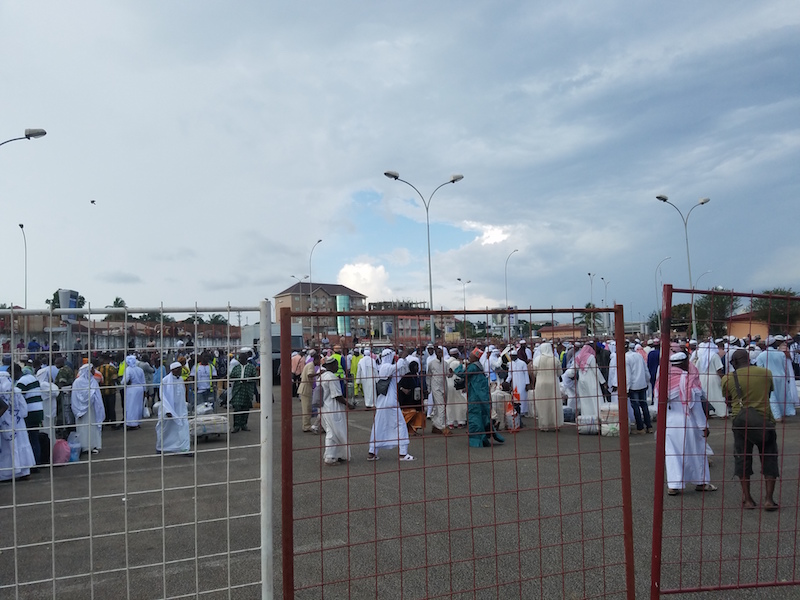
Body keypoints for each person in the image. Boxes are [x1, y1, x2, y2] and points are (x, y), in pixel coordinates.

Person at [722, 349, 779, 510]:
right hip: (765, 422)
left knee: (743, 459)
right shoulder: (766, 373)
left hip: (741, 423)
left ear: (733, 363)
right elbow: (768, 394)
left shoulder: (728, 378)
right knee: (769, 459)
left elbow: (727, 398)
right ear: (749, 359)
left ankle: (748, 499)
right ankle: (769, 499)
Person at [658, 352, 715, 496]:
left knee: (672, 454)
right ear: (685, 363)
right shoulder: (688, 379)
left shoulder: (663, 380)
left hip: (669, 422)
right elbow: (695, 407)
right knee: (696, 452)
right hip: (688, 421)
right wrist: (704, 426)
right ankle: (701, 483)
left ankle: (674, 485)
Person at [368, 349, 415, 461]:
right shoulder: (385, 367)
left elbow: (403, 371)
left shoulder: (387, 368)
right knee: (401, 425)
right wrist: (402, 357)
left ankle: (372, 452)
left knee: (379, 425)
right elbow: (397, 366)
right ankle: (403, 454)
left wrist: (403, 360)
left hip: (383, 403)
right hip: (390, 402)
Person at [0, 366, 36, 480]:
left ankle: (6, 474)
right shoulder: (16, 391)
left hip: (4, 424)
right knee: (21, 446)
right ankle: (23, 472)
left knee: (7, 449)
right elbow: (24, 410)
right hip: (18, 424)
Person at [466, 348, 504, 448]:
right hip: (481, 396)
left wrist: (458, 369)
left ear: (474, 358)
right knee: (482, 417)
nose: (469, 358)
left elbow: (463, 374)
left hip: (475, 397)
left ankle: (477, 440)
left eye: (470, 357)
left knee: (475, 418)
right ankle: (483, 438)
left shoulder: (473, 367)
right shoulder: (479, 366)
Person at [319, 356, 350, 465]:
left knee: (335, 431)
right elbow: (337, 396)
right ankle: (330, 457)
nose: (338, 367)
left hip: (324, 407)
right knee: (333, 432)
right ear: (331, 366)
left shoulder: (322, 376)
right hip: (333, 408)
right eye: (336, 365)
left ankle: (339, 454)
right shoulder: (332, 377)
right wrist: (348, 404)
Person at [756, 336, 795, 420]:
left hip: (769, 378)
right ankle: (786, 412)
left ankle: (777, 416)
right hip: (781, 377)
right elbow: (786, 368)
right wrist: (787, 378)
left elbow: (760, 369)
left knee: (772, 397)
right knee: (783, 395)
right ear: (775, 344)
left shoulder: (761, 355)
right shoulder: (781, 354)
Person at [157, 362, 192, 455]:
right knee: (166, 429)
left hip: (181, 409)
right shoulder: (165, 381)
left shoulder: (180, 379)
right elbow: (163, 396)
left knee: (184, 426)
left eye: (181, 369)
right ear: (173, 370)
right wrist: (168, 410)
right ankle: (161, 447)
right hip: (168, 409)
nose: (180, 371)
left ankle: (185, 449)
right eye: (178, 369)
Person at [565, 343, 606, 422]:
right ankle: (598, 418)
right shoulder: (590, 357)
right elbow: (596, 370)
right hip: (591, 381)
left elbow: (572, 370)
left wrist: (570, 376)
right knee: (595, 399)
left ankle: (587, 419)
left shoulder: (578, 357)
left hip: (582, 381)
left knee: (585, 401)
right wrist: (603, 382)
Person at [71, 363, 105, 454]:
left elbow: (97, 397)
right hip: (81, 411)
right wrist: (78, 411)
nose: (94, 371)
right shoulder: (77, 382)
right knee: (83, 429)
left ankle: (92, 445)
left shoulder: (93, 381)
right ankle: (83, 446)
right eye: (92, 370)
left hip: (92, 409)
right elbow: (74, 398)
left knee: (92, 427)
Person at [16, 365, 44, 465]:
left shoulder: (21, 382)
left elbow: (17, 398)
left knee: (29, 439)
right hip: (39, 410)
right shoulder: (33, 378)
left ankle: (32, 463)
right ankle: (38, 461)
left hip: (30, 412)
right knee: (35, 437)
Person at [532, 342, 564, 431]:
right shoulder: (555, 359)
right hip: (553, 384)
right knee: (554, 404)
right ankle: (555, 424)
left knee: (542, 404)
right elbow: (559, 373)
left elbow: (534, 373)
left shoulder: (537, 359)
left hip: (541, 384)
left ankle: (543, 425)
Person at [692, 341, 726, 418]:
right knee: (717, 395)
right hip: (714, 378)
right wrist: (723, 378)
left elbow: (696, 369)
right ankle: (722, 413)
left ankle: (709, 412)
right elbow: (719, 370)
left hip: (702, 378)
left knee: (706, 396)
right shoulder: (715, 356)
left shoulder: (701, 358)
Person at [626, 341, 652, 434]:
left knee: (636, 407)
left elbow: (628, 375)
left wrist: (627, 388)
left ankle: (640, 428)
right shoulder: (639, 355)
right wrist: (647, 380)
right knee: (644, 406)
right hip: (642, 384)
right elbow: (645, 369)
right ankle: (649, 426)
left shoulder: (626, 358)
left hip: (633, 386)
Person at [229, 351, 258, 433]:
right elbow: (231, 377)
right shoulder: (236, 368)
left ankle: (244, 425)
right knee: (237, 407)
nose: (240, 359)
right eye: (239, 358)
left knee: (246, 407)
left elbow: (256, 378)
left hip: (247, 389)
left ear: (245, 359)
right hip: (238, 389)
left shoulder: (251, 367)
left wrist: (248, 380)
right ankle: (236, 426)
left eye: (241, 358)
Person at [426, 346, 451, 436]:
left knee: (441, 405)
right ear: (436, 353)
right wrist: (428, 388)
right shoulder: (431, 363)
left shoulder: (445, 363)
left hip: (444, 385)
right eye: (439, 353)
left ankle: (436, 425)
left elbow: (449, 375)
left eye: (441, 353)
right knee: (440, 406)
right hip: (435, 386)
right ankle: (443, 426)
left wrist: (451, 372)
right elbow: (428, 376)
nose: (440, 354)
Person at [399, 360, 425, 435]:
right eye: (415, 367)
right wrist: (404, 390)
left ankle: (413, 429)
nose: (416, 368)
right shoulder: (407, 376)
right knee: (412, 412)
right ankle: (402, 425)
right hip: (408, 401)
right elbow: (399, 385)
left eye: (417, 367)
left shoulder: (417, 376)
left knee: (420, 413)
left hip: (416, 399)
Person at [298, 353, 321, 432]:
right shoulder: (311, 365)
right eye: (319, 360)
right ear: (316, 360)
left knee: (307, 408)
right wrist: (319, 373)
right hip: (306, 388)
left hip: (305, 387)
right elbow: (310, 375)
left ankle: (306, 424)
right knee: (306, 408)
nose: (320, 362)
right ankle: (306, 426)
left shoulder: (309, 365)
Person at [506, 349, 530, 421]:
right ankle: (518, 411)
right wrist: (507, 382)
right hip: (515, 382)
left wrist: (527, 383)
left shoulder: (522, 363)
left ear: (516, 356)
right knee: (516, 396)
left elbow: (526, 374)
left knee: (522, 396)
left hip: (522, 382)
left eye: (513, 356)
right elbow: (509, 374)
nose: (512, 358)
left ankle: (523, 411)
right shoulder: (511, 364)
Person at [122, 355, 145, 430]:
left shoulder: (128, 369)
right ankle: (138, 422)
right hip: (140, 389)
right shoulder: (140, 369)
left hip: (132, 389)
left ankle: (132, 423)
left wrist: (121, 383)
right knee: (138, 406)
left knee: (131, 406)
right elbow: (143, 381)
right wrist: (145, 390)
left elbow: (125, 380)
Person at [98, 355, 119, 428]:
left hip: (102, 392)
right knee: (112, 408)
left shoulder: (98, 369)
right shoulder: (112, 368)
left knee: (104, 407)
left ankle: (105, 421)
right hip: (111, 391)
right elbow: (115, 379)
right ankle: (113, 424)